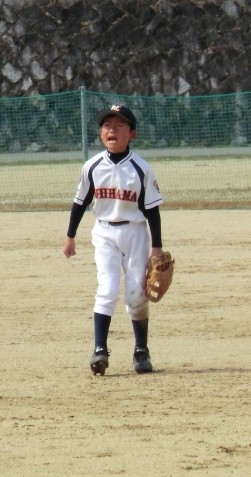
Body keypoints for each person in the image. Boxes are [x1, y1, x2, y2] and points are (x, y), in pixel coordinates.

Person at [63, 105, 166, 375]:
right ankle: (99, 349)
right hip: (104, 233)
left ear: (132, 134)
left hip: (135, 233)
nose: (112, 130)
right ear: (100, 134)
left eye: (120, 126)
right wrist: (70, 237)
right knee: (107, 289)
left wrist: (156, 247)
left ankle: (141, 350)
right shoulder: (92, 166)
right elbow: (80, 202)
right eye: (107, 125)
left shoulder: (141, 168)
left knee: (136, 294)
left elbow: (152, 210)